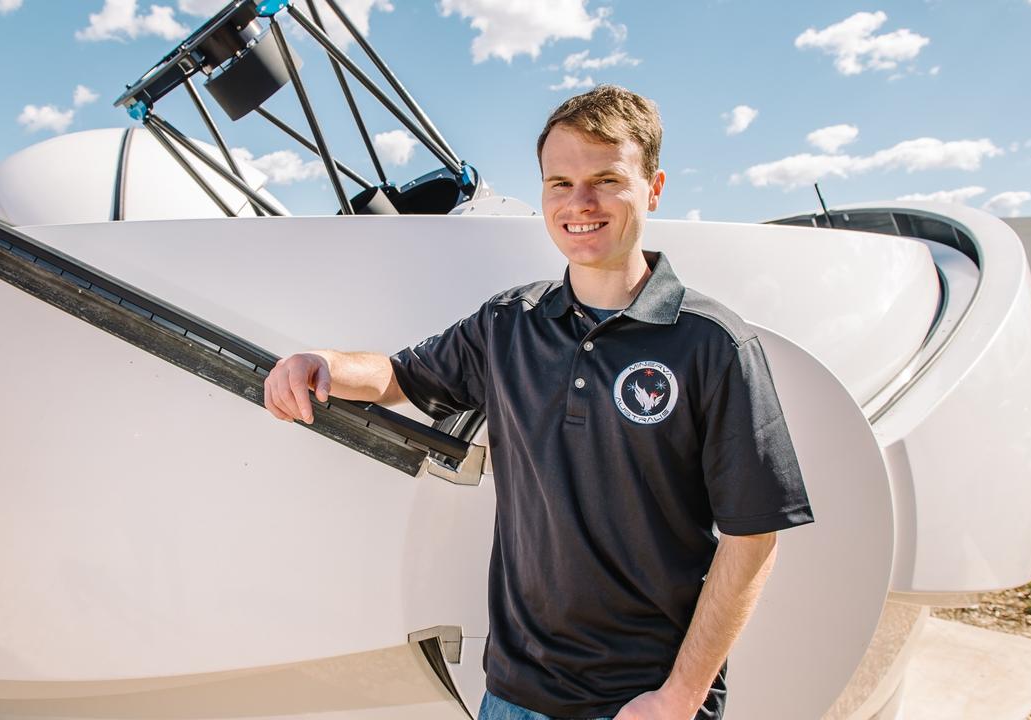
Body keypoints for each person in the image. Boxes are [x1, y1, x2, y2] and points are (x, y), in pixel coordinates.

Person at [262, 84, 814, 720]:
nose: (580, 203)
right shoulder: (509, 323)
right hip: (513, 696)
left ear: (653, 188)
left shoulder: (713, 344)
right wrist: (320, 363)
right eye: (559, 183)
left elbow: (754, 538)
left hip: (641, 704)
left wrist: (679, 698)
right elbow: (398, 375)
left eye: (606, 179)